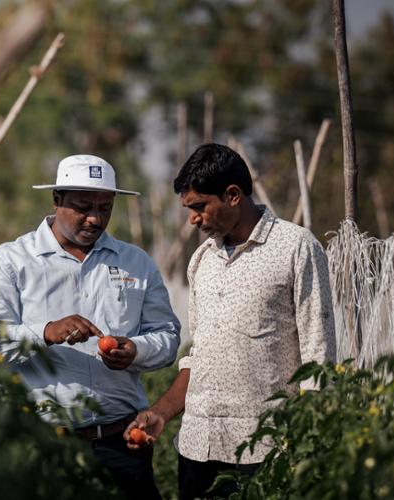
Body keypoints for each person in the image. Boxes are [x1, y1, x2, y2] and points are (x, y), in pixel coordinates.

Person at [123, 143, 336, 499]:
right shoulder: (202, 260)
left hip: (266, 447)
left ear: (233, 195)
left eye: (199, 207)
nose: (192, 218)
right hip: (197, 446)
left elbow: (319, 357)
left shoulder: (295, 248)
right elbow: (199, 358)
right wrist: (160, 413)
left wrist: (309, 446)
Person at [0, 154, 181, 499]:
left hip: (121, 444)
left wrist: (136, 350)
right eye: (83, 207)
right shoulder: (9, 263)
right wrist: (44, 332)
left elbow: (169, 337)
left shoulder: (136, 262)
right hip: (41, 446)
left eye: (105, 207)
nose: (95, 218)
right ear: (57, 200)